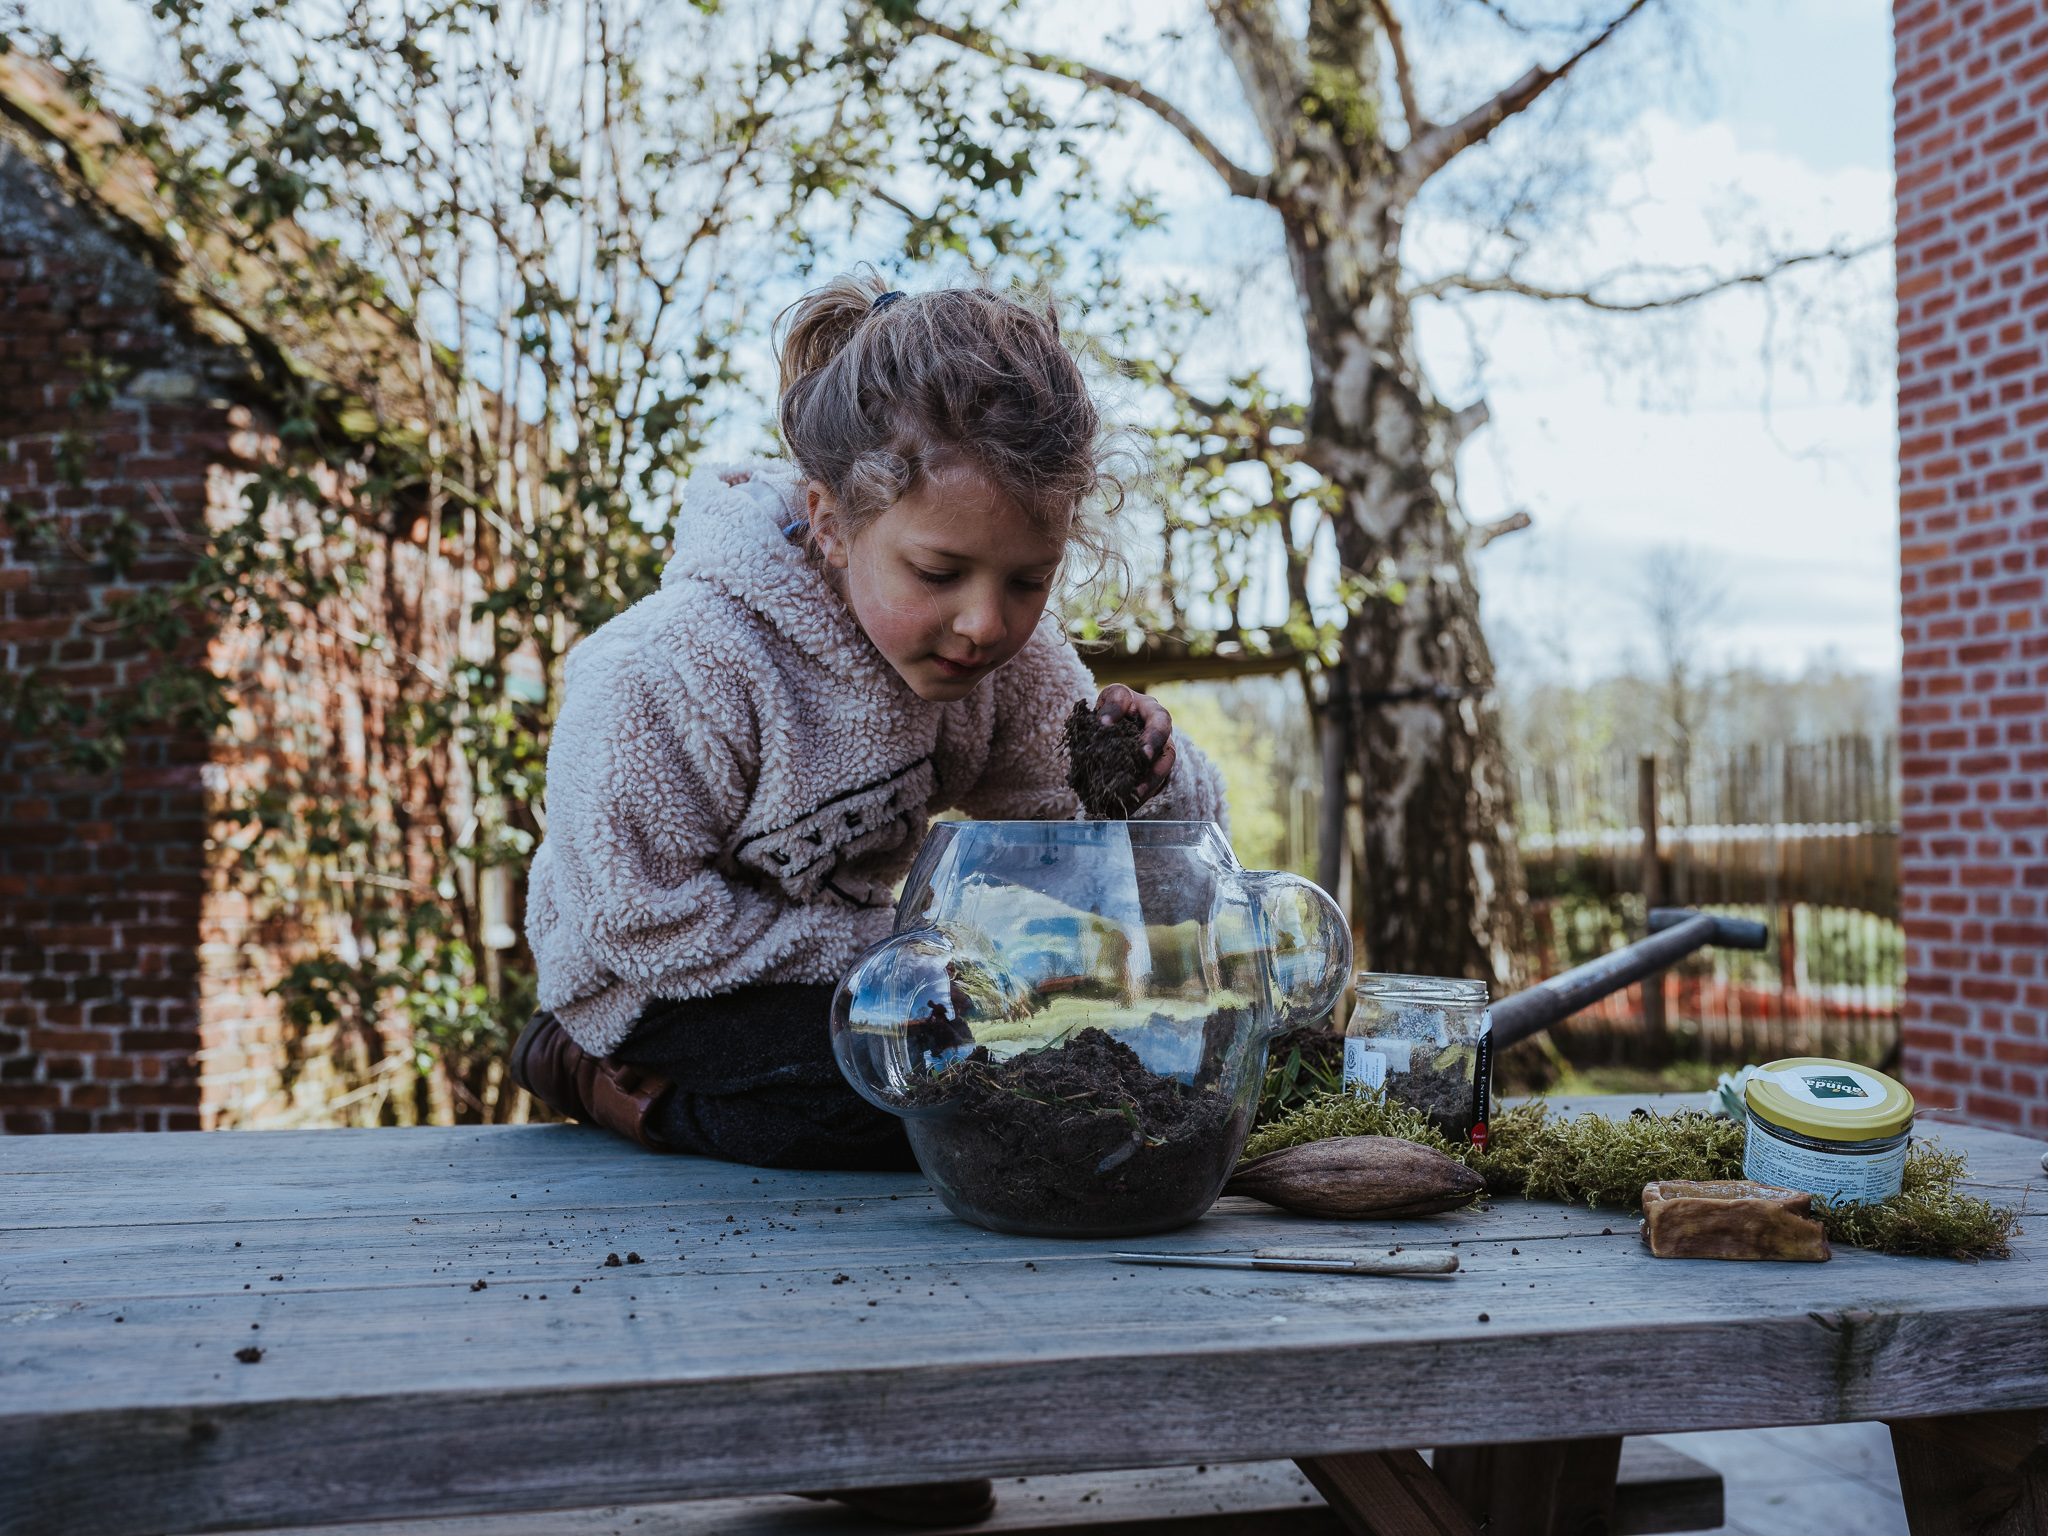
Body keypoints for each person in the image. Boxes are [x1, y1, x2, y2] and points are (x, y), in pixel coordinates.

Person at [509, 276, 1228, 1524]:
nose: (983, 624)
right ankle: (597, 1082)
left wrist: (1154, 776)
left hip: (868, 975)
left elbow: (1089, 833)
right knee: (902, 1108)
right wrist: (912, 959)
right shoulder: (668, 668)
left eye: (1027, 581)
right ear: (829, 520)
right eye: (942, 570)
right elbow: (640, 919)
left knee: (1042, 1081)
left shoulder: (998, 658)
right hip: (667, 978)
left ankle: (924, 1393)